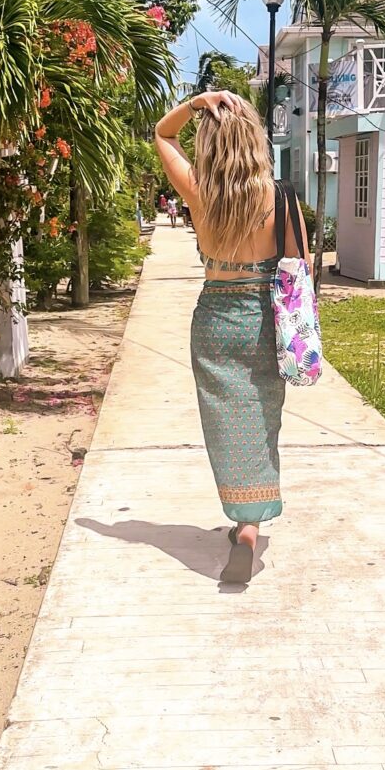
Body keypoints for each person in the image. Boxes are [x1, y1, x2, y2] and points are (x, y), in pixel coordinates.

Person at [154, 90, 310, 583]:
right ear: (254, 138)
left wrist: (197, 102)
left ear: (210, 143)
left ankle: (241, 518)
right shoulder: (279, 195)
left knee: (226, 421)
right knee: (263, 418)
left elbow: (162, 133)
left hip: (216, 319)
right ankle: (250, 524)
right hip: (263, 319)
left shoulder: (198, 191)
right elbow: (299, 267)